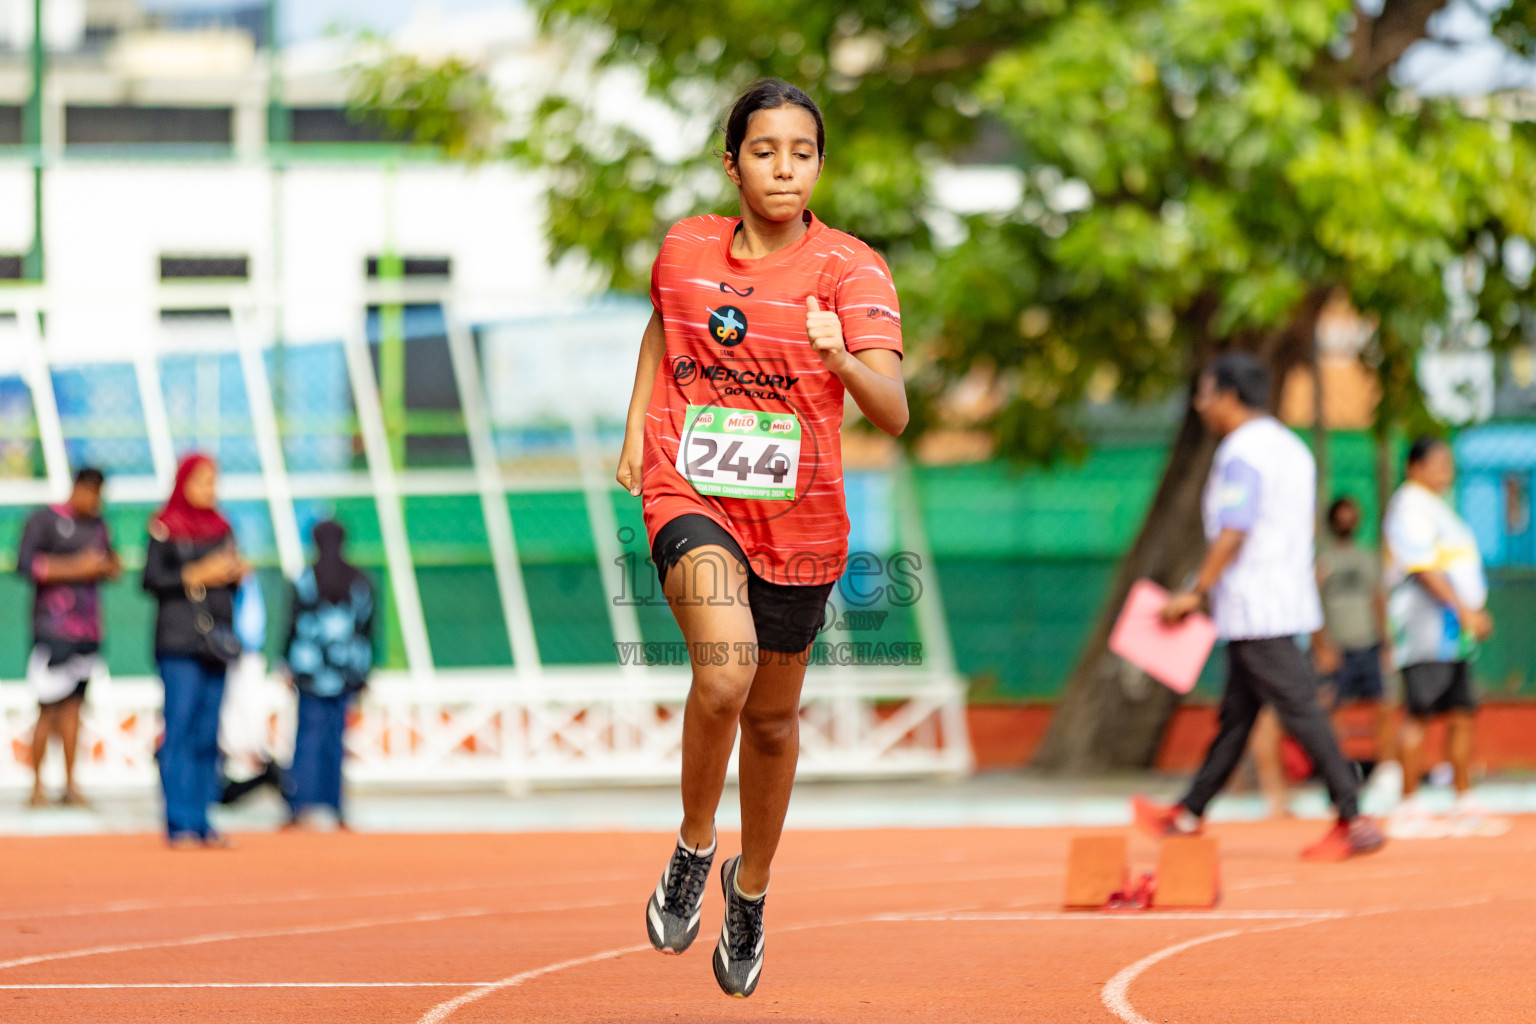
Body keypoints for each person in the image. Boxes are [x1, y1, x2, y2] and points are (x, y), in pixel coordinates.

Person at [616, 79, 908, 997]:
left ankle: (751, 889)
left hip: (800, 523)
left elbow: (894, 411)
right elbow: (665, 326)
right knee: (725, 672)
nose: (784, 169)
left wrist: (839, 356)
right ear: (732, 162)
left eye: (802, 153)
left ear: (820, 165)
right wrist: (636, 430)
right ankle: (694, 845)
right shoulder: (686, 247)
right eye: (765, 151)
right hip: (690, 491)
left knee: (773, 722)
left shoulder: (852, 272)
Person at [1133, 352, 1385, 861]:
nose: (1201, 405)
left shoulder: (1241, 451)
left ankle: (1354, 816)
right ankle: (1188, 813)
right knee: (1238, 716)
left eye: (1205, 394)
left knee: (1300, 708)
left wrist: (1196, 590)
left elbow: (1235, 528)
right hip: (1281, 597)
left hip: (1255, 606)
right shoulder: (1291, 448)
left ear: (1229, 396)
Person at [1381, 438, 1496, 837]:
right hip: (1427, 628)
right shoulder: (1409, 506)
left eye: (1449, 463)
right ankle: (1408, 804)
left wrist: (1471, 611)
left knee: (1462, 712)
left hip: (1455, 632)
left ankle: (1463, 799)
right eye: (1438, 463)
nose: (1446, 471)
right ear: (1414, 467)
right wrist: (1464, 610)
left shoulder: (1437, 507)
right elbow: (1423, 569)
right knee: (1420, 711)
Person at [141, 453, 249, 848]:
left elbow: (231, 583)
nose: (210, 489)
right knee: (180, 728)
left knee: (207, 733)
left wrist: (234, 573)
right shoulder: (164, 527)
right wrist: (195, 574)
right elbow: (151, 580)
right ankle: (179, 819)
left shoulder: (223, 527)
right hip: (179, 642)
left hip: (216, 642)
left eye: (213, 481)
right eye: (202, 481)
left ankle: (203, 818)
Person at [15, 467, 119, 808]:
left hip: (88, 632)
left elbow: (112, 566)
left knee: (75, 708)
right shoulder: (44, 520)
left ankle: (71, 785)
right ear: (77, 488)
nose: (95, 501)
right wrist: (78, 566)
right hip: (52, 631)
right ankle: (37, 787)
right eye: (91, 493)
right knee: (47, 710)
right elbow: (26, 565)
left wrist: (104, 566)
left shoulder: (99, 525)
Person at [279, 520, 374, 830]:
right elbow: (367, 629)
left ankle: (300, 805)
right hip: (345, 670)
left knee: (307, 737)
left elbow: (292, 625)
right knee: (335, 738)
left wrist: (285, 662)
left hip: (310, 670)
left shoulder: (306, 579)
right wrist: (365, 671)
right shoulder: (359, 580)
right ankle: (334, 805)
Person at [1314, 496, 1398, 792]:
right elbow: (1312, 605)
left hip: (1369, 643)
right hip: (1337, 646)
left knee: (1384, 704)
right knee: (1334, 708)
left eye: (1351, 516)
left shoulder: (1367, 557)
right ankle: (1340, 771)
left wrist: (1386, 642)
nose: (1346, 521)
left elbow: (1378, 599)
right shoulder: (1322, 560)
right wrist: (1321, 645)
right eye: (1341, 516)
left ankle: (1386, 770)